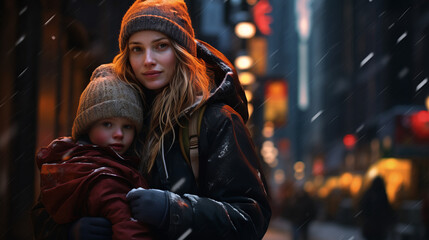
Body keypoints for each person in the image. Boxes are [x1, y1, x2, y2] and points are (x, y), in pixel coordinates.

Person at [32, 0, 271, 239]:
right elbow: (48, 207)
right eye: (137, 49)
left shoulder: (216, 122)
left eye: (161, 46)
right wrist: (68, 231)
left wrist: (173, 210)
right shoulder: (113, 111)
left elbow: (250, 219)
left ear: (181, 52)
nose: (147, 60)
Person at [34, 64, 152, 240]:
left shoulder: (67, 160)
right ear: (87, 128)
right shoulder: (85, 169)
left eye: (127, 126)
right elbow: (42, 215)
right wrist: (68, 231)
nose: (119, 134)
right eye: (107, 124)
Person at [359, 176, 395, 240]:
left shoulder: (369, 193)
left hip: (371, 226)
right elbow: (387, 208)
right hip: (379, 226)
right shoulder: (382, 193)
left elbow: (363, 207)